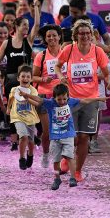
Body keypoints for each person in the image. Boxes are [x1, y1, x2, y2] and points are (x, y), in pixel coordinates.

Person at [55, 19, 110, 182]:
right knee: (71, 136)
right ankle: (66, 158)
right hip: (71, 99)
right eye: (82, 33)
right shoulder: (68, 49)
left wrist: (108, 81)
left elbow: (106, 72)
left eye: (88, 33)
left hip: (91, 99)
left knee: (84, 138)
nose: (85, 36)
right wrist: (61, 77)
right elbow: (58, 66)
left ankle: (78, 170)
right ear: (76, 35)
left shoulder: (97, 51)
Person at [22, 84, 107, 189]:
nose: (62, 102)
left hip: (68, 135)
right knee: (56, 160)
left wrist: (98, 99)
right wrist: (27, 95)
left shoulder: (71, 101)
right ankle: (57, 178)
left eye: (64, 99)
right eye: (59, 99)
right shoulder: (50, 103)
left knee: (70, 157)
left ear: (68, 97)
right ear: (54, 98)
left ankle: (72, 178)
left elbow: (84, 101)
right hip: (55, 137)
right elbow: (38, 100)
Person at [0, 0, 41, 150]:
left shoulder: (28, 41)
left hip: (27, 81)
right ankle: (15, 140)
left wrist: (35, 6)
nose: (27, 28)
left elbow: (37, 25)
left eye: (27, 27)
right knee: (13, 109)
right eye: (24, 26)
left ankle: (29, 136)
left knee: (29, 108)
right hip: (11, 81)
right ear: (16, 27)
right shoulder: (7, 42)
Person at [33, 24, 65, 168]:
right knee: (47, 131)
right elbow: (34, 77)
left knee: (63, 129)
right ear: (45, 39)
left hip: (62, 97)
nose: (51, 38)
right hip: (45, 96)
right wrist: (43, 79)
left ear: (59, 37)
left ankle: (63, 157)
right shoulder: (41, 56)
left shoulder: (66, 53)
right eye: (48, 36)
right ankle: (46, 155)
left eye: (54, 35)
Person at [6, 65, 39, 170]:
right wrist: (8, 108)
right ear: (18, 78)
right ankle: (21, 158)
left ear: (31, 79)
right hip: (17, 117)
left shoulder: (33, 90)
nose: (25, 79)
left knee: (30, 140)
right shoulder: (14, 89)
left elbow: (36, 102)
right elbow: (11, 99)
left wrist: (27, 97)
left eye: (28, 77)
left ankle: (30, 154)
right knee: (23, 136)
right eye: (23, 76)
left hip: (30, 118)